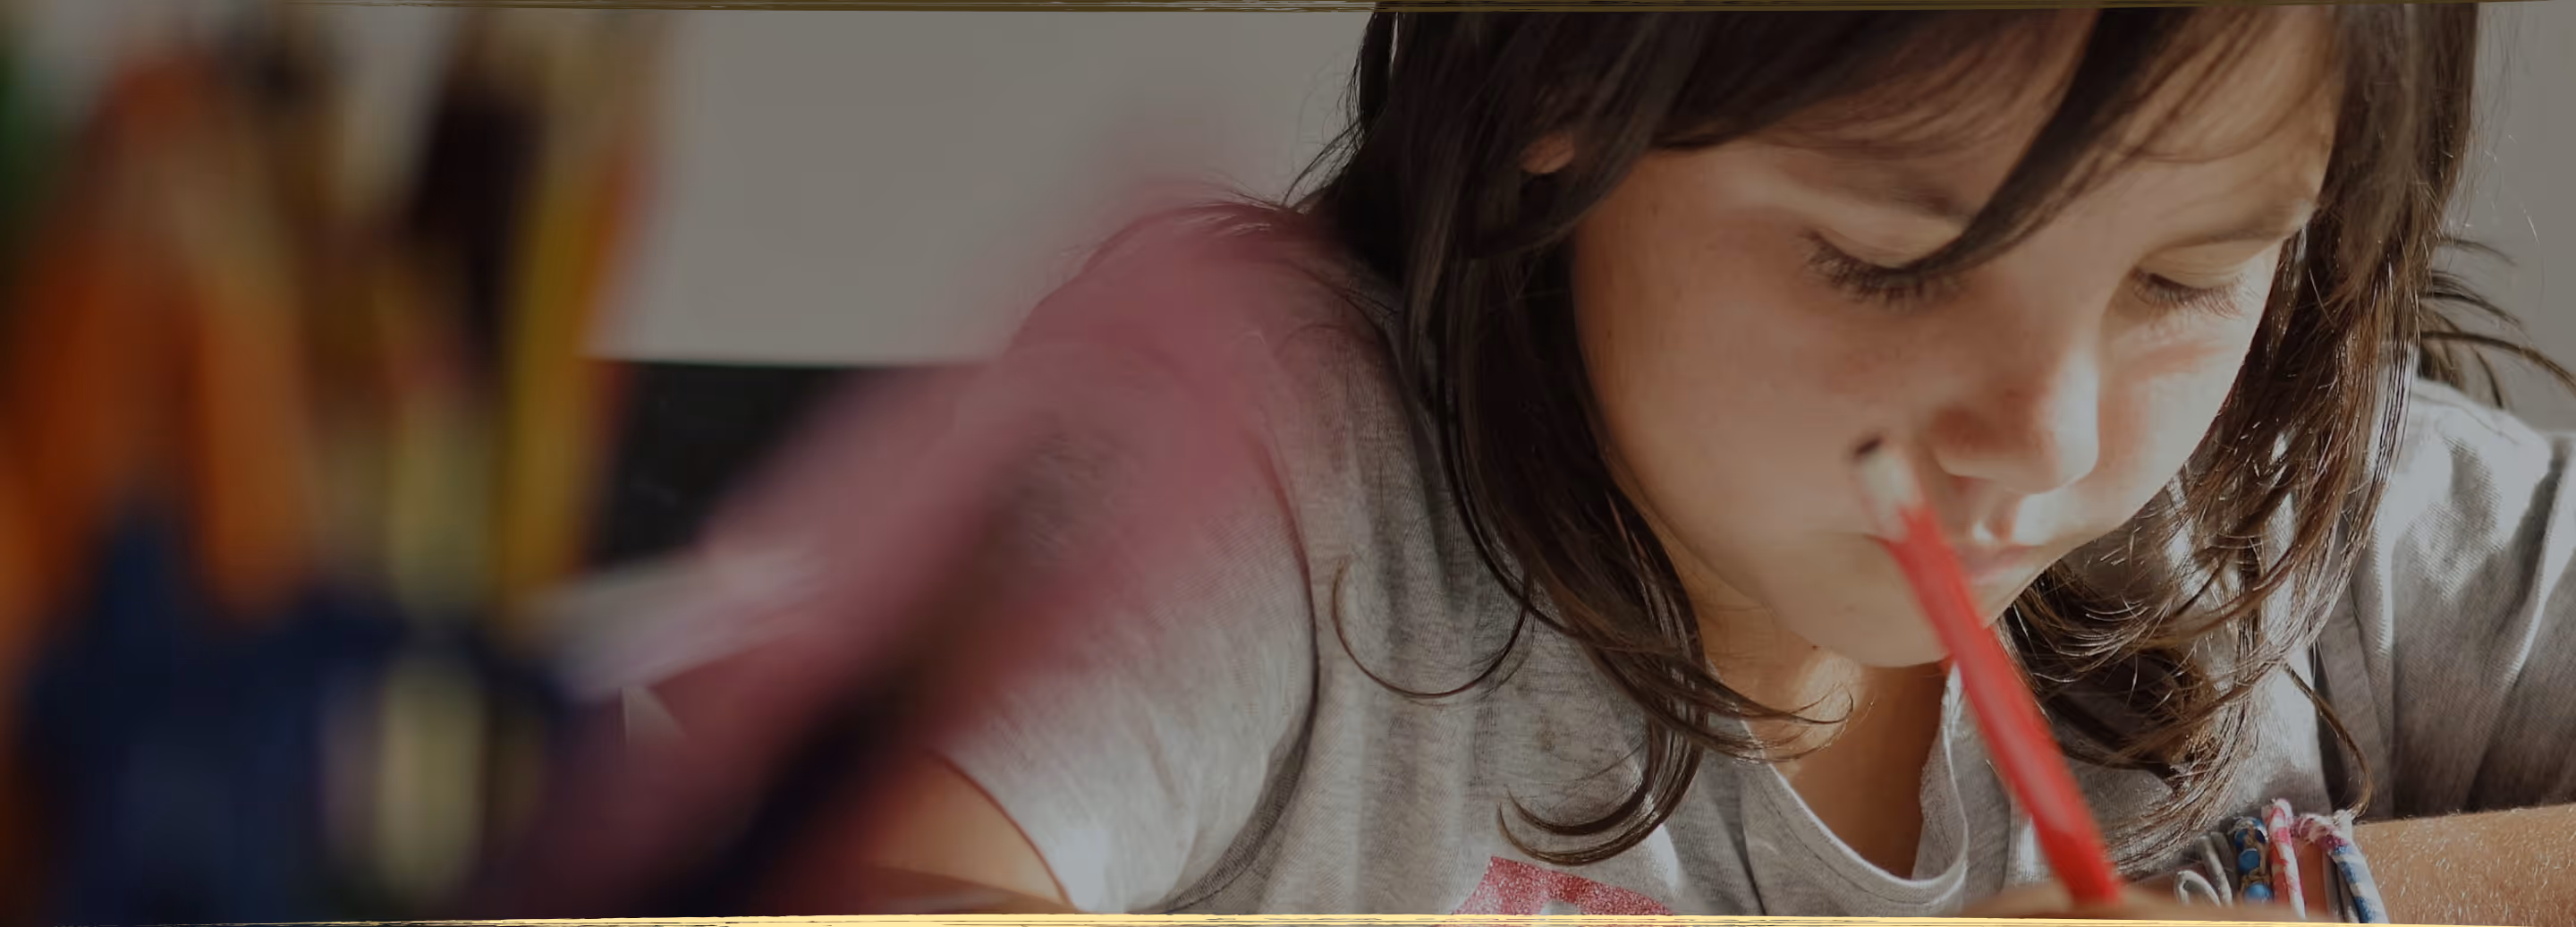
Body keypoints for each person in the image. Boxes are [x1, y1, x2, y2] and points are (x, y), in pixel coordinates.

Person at [511, 6, 2576, 923]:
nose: (2048, 433)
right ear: (1564, 95)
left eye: (2188, 277)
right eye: (1886, 263)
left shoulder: (2297, 497)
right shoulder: (1260, 463)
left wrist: (2312, 898)